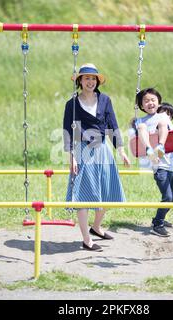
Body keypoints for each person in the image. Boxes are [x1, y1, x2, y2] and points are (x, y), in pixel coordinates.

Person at [63, 63, 131, 251]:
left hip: (102, 149)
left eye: (93, 79)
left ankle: (96, 227)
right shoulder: (72, 104)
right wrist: (72, 157)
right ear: (80, 81)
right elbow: (67, 131)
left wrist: (121, 150)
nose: (90, 82)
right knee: (83, 195)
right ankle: (86, 239)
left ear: (97, 81)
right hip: (82, 150)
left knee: (108, 191)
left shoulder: (105, 100)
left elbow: (112, 125)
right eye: (86, 78)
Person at [130, 88, 173, 237]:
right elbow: (134, 136)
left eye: (153, 100)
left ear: (158, 102)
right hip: (157, 164)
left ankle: (159, 146)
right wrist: (147, 147)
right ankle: (158, 224)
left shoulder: (163, 117)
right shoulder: (141, 120)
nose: (150, 103)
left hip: (169, 164)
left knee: (171, 199)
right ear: (141, 105)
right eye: (146, 101)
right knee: (167, 197)